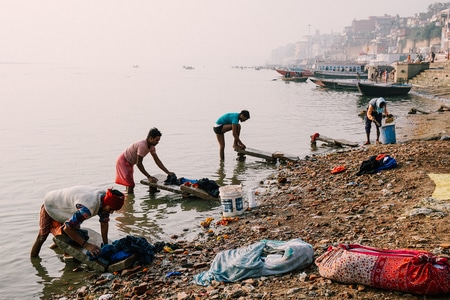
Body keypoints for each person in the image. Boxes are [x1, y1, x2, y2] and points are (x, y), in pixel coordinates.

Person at [30, 186, 125, 258]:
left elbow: (104, 222)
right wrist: (86, 245)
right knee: (42, 236)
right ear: (106, 203)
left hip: (68, 206)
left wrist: (105, 245)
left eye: (114, 210)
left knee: (68, 237)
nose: (111, 212)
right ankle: (34, 260)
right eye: (111, 209)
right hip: (52, 204)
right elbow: (68, 228)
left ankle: (58, 250)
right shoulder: (88, 208)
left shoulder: (106, 199)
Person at [115, 128, 174, 194]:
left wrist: (168, 172)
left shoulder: (152, 147)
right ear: (150, 138)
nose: (157, 142)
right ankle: (129, 200)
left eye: (158, 141)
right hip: (123, 161)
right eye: (156, 140)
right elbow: (139, 164)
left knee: (129, 183)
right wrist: (149, 176)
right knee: (130, 185)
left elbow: (157, 160)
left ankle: (128, 199)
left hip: (130, 163)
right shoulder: (142, 146)